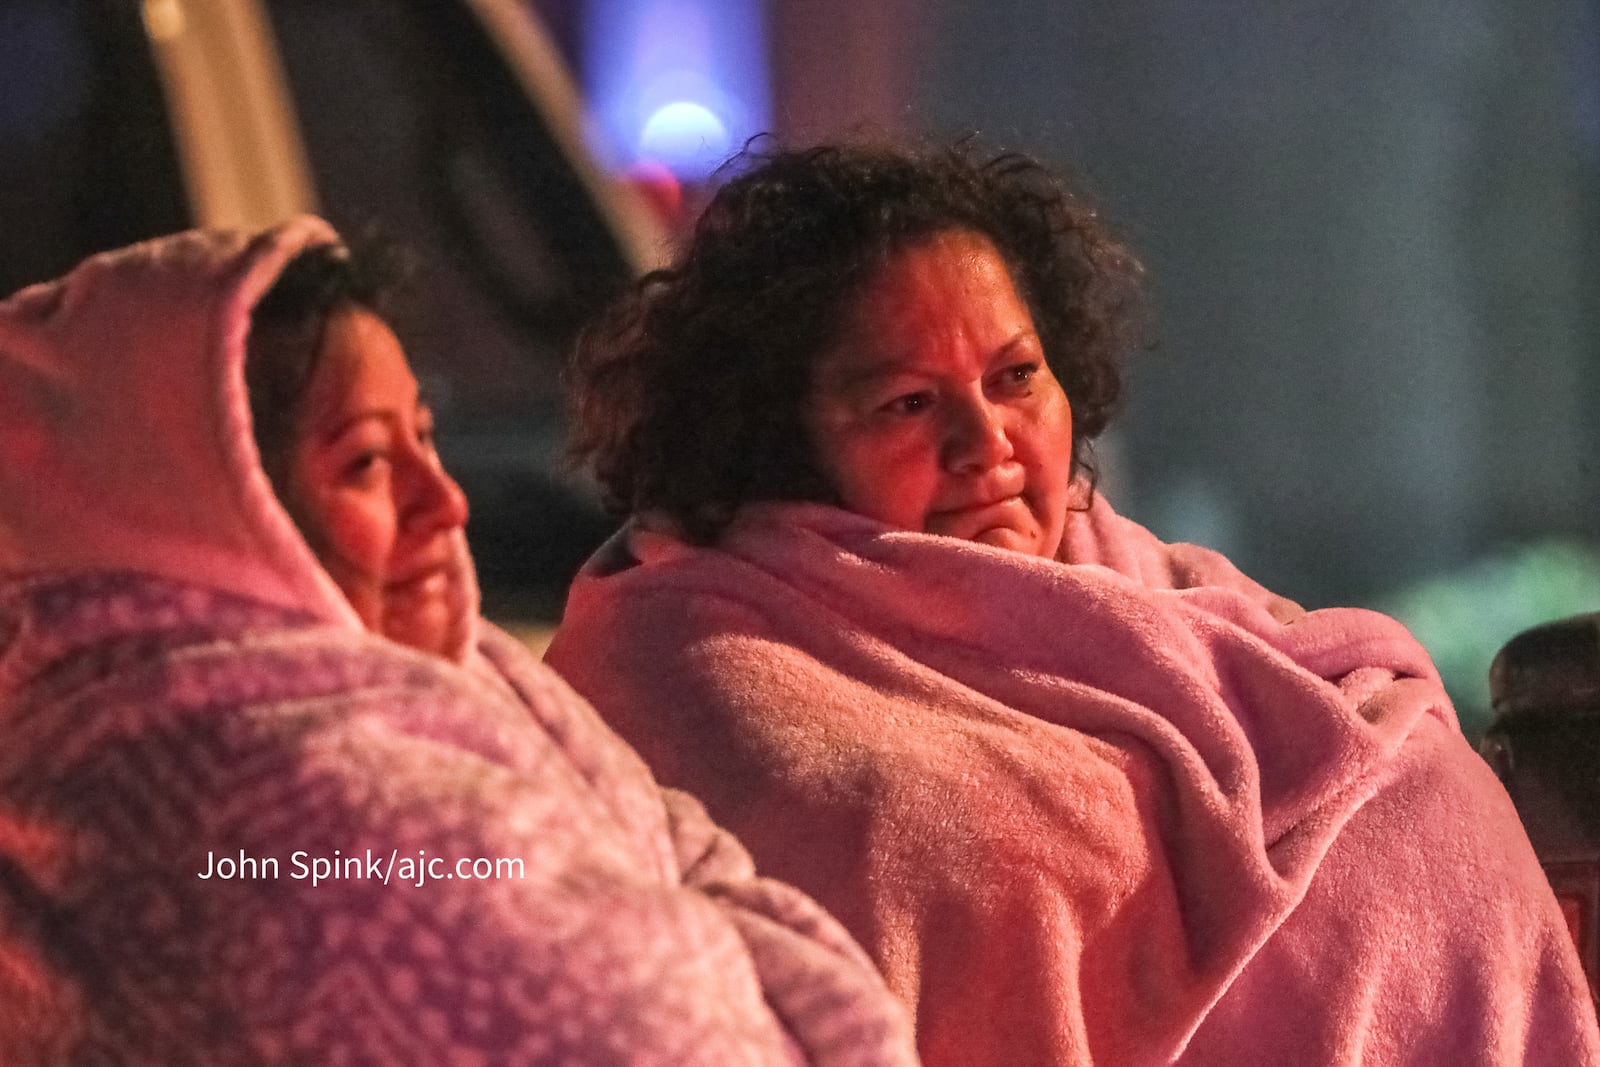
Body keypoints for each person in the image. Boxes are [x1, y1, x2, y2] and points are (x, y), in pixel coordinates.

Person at [547, 142, 1600, 1066]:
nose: (985, 441)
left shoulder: (1171, 589)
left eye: (1013, 377)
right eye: (908, 403)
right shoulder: (700, 660)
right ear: (778, 436)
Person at [0, 217, 917, 1065]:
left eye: (426, 437)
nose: (445, 502)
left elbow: (692, 860)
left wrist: (680, 906)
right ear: (208, 514)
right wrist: (691, 914)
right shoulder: (271, 806)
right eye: (364, 461)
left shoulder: (479, 679)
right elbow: (660, 1033)